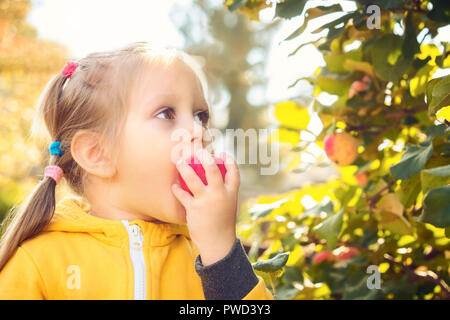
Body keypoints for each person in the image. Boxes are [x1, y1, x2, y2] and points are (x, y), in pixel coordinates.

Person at [0, 42, 274, 300]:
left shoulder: (206, 258)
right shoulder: (39, 262)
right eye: (166, 113)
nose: (199, 131)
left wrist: (222, 254)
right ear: (98, 153)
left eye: (200, 115)